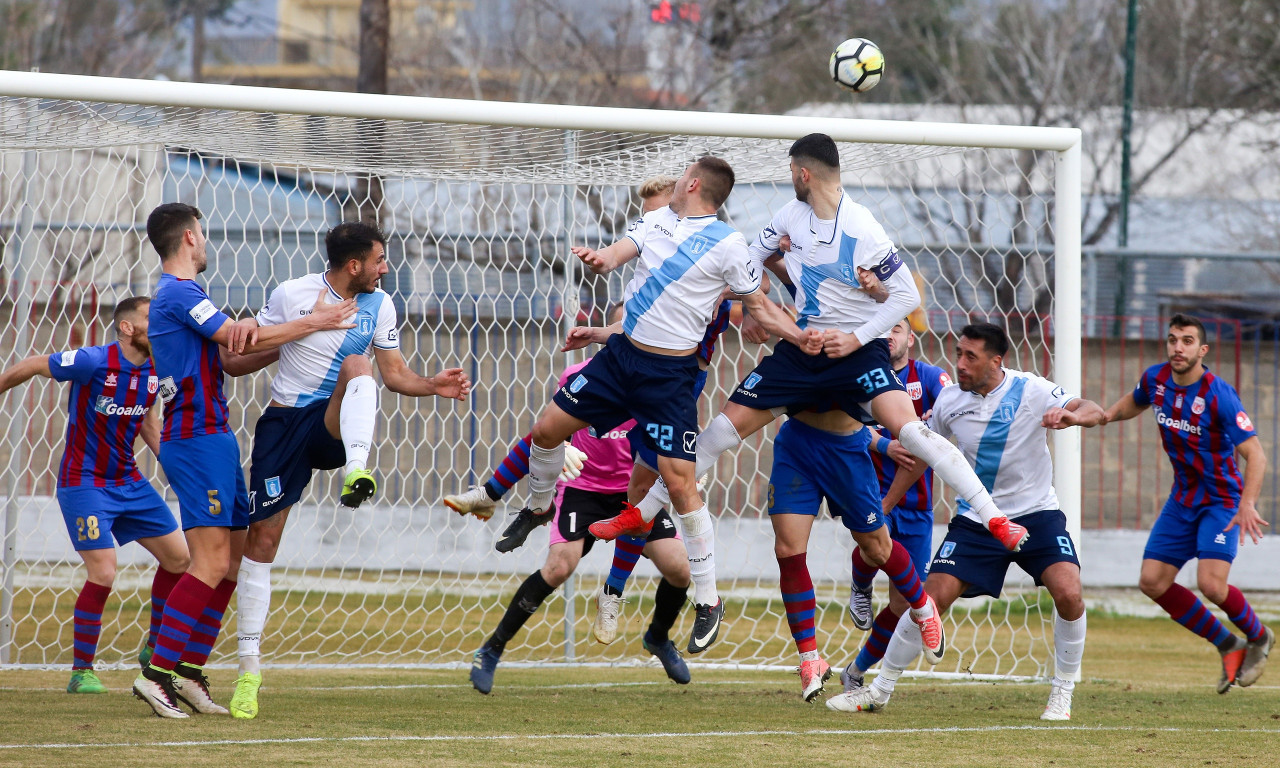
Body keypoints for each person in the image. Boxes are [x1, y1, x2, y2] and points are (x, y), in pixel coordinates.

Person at [590, 133, 1025, 653]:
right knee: (720, 433)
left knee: (911, 430)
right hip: (803, 351)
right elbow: (749, 260)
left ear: (802, 174)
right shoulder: (789, 220)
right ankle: (641, 514)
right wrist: (746, 303)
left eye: (790, 171)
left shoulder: (862, 227)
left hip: (853, 354)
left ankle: (994, 518)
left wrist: (859, 335)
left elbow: (906, 294)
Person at [514, 155, 815, 655]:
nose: (675, 182)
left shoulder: (728, 245)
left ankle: (708, 599)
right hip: (620, 360)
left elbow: (758, 306)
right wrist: (600, 257)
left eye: (681, 177)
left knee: (678, 484)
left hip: (671, 379)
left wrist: (800, 337)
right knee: (546, 430)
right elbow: (617, 254)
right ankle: (539, 505)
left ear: (693, 184)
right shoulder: (654, 220)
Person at [230, 221, 471, 719]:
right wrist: (301, 331)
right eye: (380, 260)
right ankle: (249, 671)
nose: (387, 268)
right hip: (284, 425)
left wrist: (433, 385)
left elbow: (394, 374)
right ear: (354, 264)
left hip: (334, 421)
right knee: (262, 542)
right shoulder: (291, 294)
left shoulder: (380, 305)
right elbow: (235, 361)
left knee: (357, 367)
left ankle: (356, 473)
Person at [133, 202, 355, 719]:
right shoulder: (178, 292)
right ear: (189, 237)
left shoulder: (190, 297)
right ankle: (156, 673)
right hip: (196, 437)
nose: (207, 241)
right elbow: (236, 336)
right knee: (209, 562)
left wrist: (298, 342)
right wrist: (311, 320)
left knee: (231, 563)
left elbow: (232, 359)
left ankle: (186, 672)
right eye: (204, 232)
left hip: (215, 434)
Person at [827, 322, 1101, 721]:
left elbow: (1093, 409)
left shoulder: (1032, 389)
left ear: (996, 360)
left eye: (970, 356)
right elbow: (922, 455)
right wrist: (885, 503)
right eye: (958, 353)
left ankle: (1062, 693)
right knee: (928, 601)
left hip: (1037, 514)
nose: (960, 364)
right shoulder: (951, 402)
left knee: (1069, 591)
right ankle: (879, 690)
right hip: (977, 521)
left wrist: (1070, 417)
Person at [469, 353, 692, 693]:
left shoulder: (656, 383)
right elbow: (549, 431)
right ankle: (491, 649)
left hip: (633, 489)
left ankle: (658, 638)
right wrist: (563, 446)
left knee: (681, 569)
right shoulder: (582, 375)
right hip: (582, 490)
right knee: (559, 567)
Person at [0, 297, 189, 694]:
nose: (158, 326)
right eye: (149, 320)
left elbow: (149, 424)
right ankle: (81, 671)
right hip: (84, 483)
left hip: (129, 482)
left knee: (180, 559)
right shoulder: (92, 361)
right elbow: (36, 363)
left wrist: (176, 470)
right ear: (126, 328)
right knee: (103, 571)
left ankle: (154, 646)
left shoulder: (155, 370)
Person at [1102, 313, 1273, 693]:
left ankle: (1259, 637)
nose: (1178, 347)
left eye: (1187, 341)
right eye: (1173, 339)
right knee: (1152, 582)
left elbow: (1257, 456)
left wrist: (1247, 504)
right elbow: (1134, 402)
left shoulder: (1219, 395)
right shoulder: (1156, 379)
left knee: (1211, 585)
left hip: (1221, 501)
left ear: (1202, 349)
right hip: (1182, 500)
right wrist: (1104, 416)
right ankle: (1228, 644)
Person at [767, 404, 944, 701]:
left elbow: (880, 410)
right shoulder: (791, 358)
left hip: (846, 450)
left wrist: (885, 444)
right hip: (796, 446)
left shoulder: (875, 364)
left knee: (876, 546)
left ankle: (924, 609)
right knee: (787, 550)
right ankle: (809, 658)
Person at [842, 320, 951, 691]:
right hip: (871, 494)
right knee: (874, 550)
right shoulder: (859, 375)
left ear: (910, 337)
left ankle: (855, 672)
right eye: (883, 329)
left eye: (898, 329)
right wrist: (882, 444)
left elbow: (944, 426)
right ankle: (860, 585)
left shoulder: (933, 380)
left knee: (904, 604)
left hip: (918, 507)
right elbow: (842, 424)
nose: (890, 335)